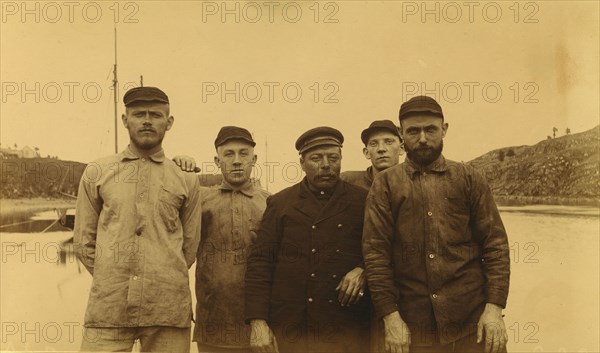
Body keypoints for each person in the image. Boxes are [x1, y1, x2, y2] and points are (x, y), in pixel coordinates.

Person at [362, 96, 510, 353]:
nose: (422, 138)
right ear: (401, 134)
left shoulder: (469, 178)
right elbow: (376, 254)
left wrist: (494, 309)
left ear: (444, 129)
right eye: (413, 131)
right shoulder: (385, 184)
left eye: (430, 129)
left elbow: (495, 246)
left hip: (472, 324)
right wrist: (391, 317)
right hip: (411, 330)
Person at [73, 86, 201, 353]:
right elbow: (84, 241)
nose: (146, 120)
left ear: (169, 122)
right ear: (124, 120)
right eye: (138, 114)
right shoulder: (98, 172)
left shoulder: (185, 178)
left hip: (167, 309)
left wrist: (159, 273)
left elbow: (189, 245)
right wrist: (112, 275)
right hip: (108, 309)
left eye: (155, 115)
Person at [244, 127, 371, 353]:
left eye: (333, 157)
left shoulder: (362, 201)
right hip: (293, 328)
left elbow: (381, 252)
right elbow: (260, 265)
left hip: (346, 327)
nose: (325, 164)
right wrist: (258, 322)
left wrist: (363, 269)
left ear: (341, 159)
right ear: (302, 163)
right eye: (316, 158)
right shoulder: (281, 203)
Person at [193, 126, 270, 352]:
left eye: (243, 154)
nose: (237, 161)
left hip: (260, 328)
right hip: (212, 325)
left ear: (254, 159)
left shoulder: (271, 203)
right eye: (229, 154)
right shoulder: (201, 202)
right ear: (217, 161)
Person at [340, 119, 404, 191]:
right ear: (366, 153)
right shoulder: (346, 181)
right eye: (374, 144)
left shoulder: (414, 183)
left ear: (402, 148)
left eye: (388, 142)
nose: (381, 149)